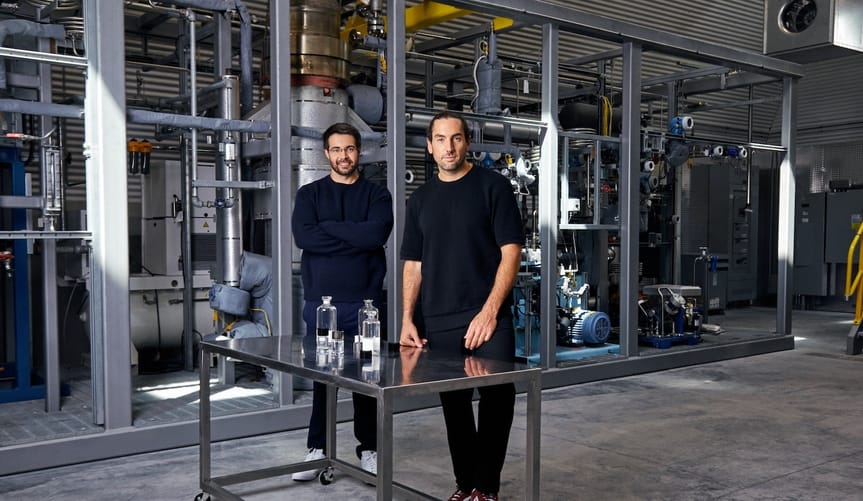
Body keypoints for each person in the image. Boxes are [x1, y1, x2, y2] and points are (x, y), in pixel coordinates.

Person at [399, 111, 524, 501]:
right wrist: (406, 317)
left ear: (467, 141)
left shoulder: (494, 187)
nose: (448, 147)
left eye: (455, 138)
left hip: (488, 317)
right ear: (429, 145)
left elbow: (511, 252)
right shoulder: (419, 200)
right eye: (440, 139)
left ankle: (486, 488)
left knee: (498, 397)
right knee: (453, 403)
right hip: (438, 317)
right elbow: (414, 263)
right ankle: (466, 483)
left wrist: (489, 312)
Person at [291, 122, 393, 481]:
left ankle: (369, 450)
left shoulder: (377, 195)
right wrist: (356, 236)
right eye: (336, 150)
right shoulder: (310, 195)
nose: (343, 156)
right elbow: (305, 236)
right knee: (323, 378)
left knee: (367, 378)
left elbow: (377, 233)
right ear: (326, 154)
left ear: (359, 151)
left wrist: (329, 228)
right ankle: (317, 449)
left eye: (349, 149)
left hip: (365, 308)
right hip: (325, 308)